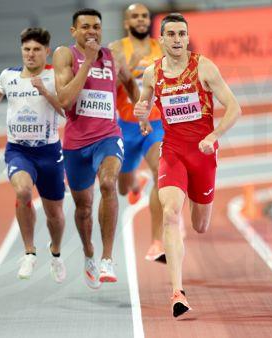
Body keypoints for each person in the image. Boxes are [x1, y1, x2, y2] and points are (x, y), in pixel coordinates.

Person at [134, 13, 241, 317]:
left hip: (203, 154)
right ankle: (177, 293)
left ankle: (192, 205)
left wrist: (215, 134)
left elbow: (235, 107)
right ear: (162, 39)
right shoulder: (152, 74)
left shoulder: (204, 67)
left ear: (187, 36)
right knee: (170, 214)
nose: (178, 39)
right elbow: (144, 108)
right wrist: (142, 115)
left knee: (201, 226)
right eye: (172, 34)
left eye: (182, 34)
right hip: (173, 152)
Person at [0, 27, 67, 283]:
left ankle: (55, 253)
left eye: (36, 50)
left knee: (54, 213)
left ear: (47, 51)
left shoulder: (56, 77)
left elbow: (67, 112)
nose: (30, 55)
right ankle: (29, 252)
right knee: (22, 192)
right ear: (21, 50)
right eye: (26, 49)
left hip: (49, 152)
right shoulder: (8, 76)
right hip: (18, 150)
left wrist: (45, 91)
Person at [53, 9, 138, 289]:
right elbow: (64, 100)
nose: (92, 31)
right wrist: (87, 63)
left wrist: (142, 113)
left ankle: (107, 258)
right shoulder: (65, 55)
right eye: (85, 26)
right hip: (76, 144)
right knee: (84, 208)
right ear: (73, 31)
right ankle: (89, 251)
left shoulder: (113, 57)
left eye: (97, 27)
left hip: (108, 136)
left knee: (109, 183)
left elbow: (130, 82)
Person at [108, 3, 165, 264]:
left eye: (144, 16)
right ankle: (133, 184)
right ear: (126, 22)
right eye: (135, 16)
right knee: (122, 187)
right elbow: (106, 86)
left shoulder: (160, 47)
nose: (141, 20)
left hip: (156, 124)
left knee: (160, 173)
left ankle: (156, 242)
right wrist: (126, 71)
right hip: (127, 125)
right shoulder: (116, 50)